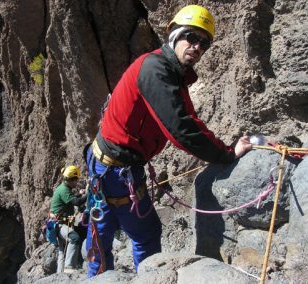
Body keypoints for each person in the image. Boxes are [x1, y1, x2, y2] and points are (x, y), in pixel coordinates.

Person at [83, 5, 252, 277]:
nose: (197, 47)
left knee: (102, 225)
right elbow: (182, 129)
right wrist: (228, 154)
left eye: (204, 43)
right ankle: (147, 278)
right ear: (173, 33)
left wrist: (223, 148)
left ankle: (98, 275)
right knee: (145, 233)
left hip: (107, 163)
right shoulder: (156, 70)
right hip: (117, 169)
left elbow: (188, 119)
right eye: (192, 37)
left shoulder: (167, 71)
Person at [50, 165, 87, 273]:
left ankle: (60, 274)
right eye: (76, 180)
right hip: (61, 224)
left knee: (62, 250)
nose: (77, 183)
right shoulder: (64, 190)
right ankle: (69, 268)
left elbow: (73, 198)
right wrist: (88, 195)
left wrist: (79, 194)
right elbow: (76, 202)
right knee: (74, 238)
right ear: (71, 180)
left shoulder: (65, 188)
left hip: (62, 223)